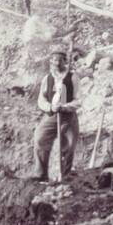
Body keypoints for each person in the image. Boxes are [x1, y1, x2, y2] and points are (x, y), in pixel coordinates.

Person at [32, 49, 78, 181]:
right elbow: (41, 99)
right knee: (40, 138)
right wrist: (50, 107)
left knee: (69, 144)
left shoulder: (73, 78)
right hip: (52, 115)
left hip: (68, 116)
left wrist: (66, 106)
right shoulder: (47, 79)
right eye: (53, 61)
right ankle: (41, 175)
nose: (56, 64)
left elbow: (79, 100)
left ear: (65, 62)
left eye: (59, 61)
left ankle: (65, 175)